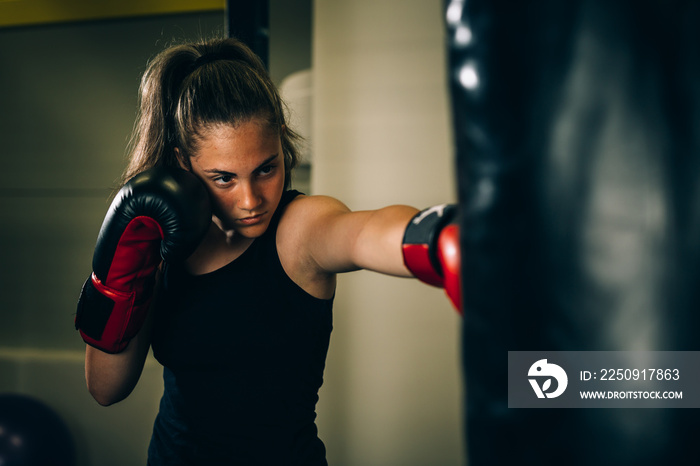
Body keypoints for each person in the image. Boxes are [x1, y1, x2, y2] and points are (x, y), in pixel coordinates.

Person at [75, 37, 460, 465]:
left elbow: (364, 233)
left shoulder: (299, 230)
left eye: (266, 168)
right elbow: (105, 389)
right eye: (224, 178)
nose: (251, 199)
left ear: (280, 144)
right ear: (184, 162)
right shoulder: (161, 241)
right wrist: (126, 269)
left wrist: (446, 236)